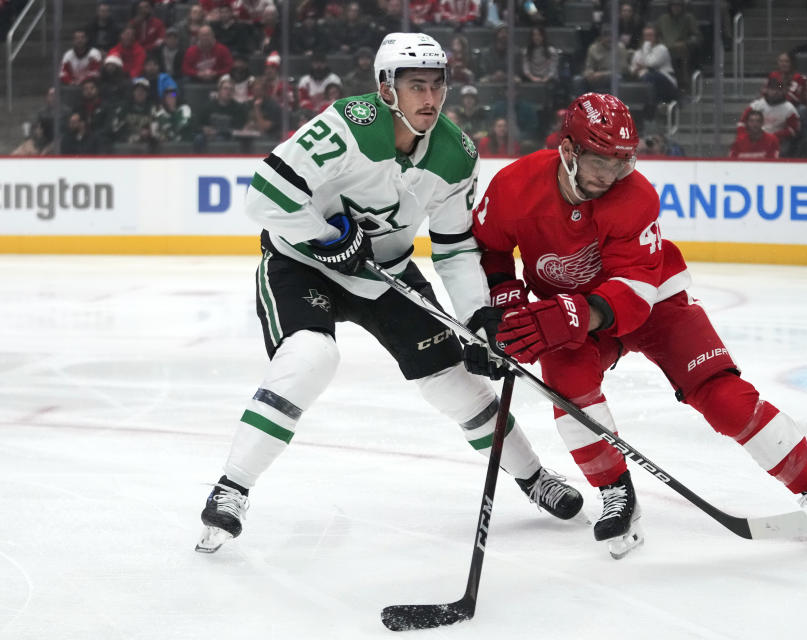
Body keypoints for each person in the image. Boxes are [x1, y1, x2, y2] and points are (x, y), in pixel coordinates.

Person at [196, 32, 584, 553]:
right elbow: (264, 197)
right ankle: (232, 486)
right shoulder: (346, 126)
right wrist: (327, 237)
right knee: (310, 356)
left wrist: (478, 319)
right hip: (301, 264)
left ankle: (534, 476)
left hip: (387, 273)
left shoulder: (454, 154)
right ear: (386, 88)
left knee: (457, 383)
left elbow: (452, 249)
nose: (429, 98)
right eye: (415, 85)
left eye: (437, 85)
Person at [464, 92, 807, 558]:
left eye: (620, 163)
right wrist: (506, 306)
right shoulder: (514, 186)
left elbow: (632, 297)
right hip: (568, 311)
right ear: (569, 150)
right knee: (568, 390)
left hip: (652, 300)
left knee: (724, 398)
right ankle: (616, 492)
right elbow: (489, 248)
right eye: (599, 163)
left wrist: (572, 314)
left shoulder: (636, 196)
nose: (610, 176)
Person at [737, 78, 799, 156]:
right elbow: (742, 123)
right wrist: (742, 136)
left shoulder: (789, 109)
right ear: (767, 90)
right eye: (772, 89)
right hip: (756, 137)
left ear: (783, 91)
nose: (775, 92)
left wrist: (774, 136)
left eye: (778, 89)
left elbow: (793, 130)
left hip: (778, 139)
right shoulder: (757, 105)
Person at [629, 25, 678, 104]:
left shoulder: (662, 49)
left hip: (667, 82)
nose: (648, 38)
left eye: (650, 35)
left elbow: (651, 64)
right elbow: (632, 70)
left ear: (656, 37)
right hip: (644, 81)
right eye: (646, 35)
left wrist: (646, 47)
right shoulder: (638, 52)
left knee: (650, 76)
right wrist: (637, 69)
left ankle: (654, 104)